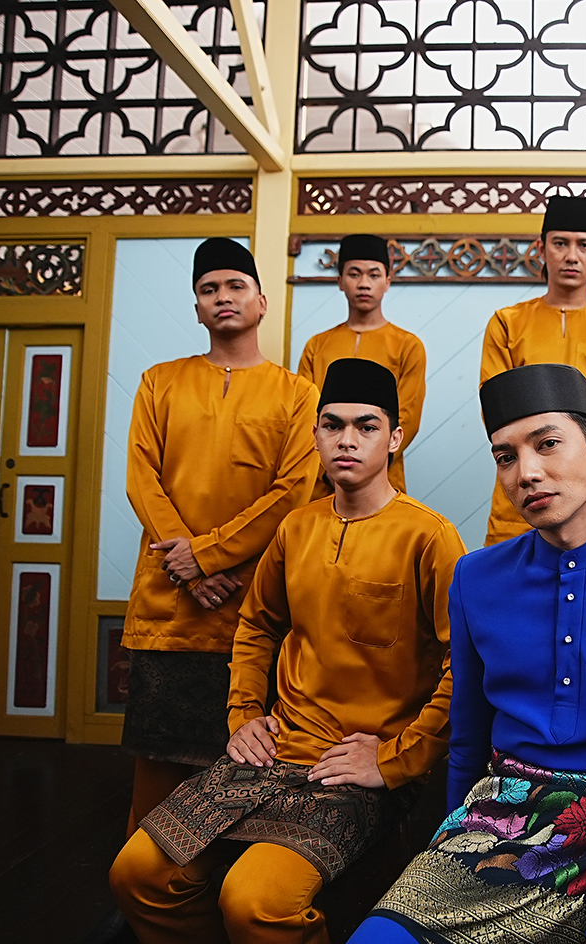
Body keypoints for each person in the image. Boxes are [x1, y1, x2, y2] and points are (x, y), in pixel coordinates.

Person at [349, 364, 586, 944]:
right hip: (503, 818)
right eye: (505, 457)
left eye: (548, 443)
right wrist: (456, 848)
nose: (526, 472)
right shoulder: (476, 580)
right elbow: (468, 740)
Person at [110, 358, 465, 944]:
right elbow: (256, 625)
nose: (347, 440)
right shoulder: (296, 528)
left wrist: (396, 759)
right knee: (137, 874)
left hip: (358, 765)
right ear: (316, 435)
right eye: (332, 425)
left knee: (254, 902)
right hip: (275, 750)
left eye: (367, 426)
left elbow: (465, 666)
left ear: (395, 438)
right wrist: (244, 714)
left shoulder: (429, 536)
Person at [120, 237, 320, 836]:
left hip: (252, 603)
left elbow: (292, 491)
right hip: (169, 606)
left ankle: (225, 882)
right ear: (197, 309)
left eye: (236, 286)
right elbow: (141, 478)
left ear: (262, 302)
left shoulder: (297, 394)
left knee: (247, 770)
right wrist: (189, 565)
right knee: (157, 767)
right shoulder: (160, 382)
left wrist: (205, 557)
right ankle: (145, 881)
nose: (223, 297)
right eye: (209, 289)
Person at [479, 196, 586, 545]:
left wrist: (585, 462)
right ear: (541, 248)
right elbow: (496, 410)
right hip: (526, 485)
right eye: (560, 243)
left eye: (584, 245)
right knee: (512, 574)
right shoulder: (507, 323)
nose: (572, 256)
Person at [297, 233, 426, 497]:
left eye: (374, 275)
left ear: (387, 282)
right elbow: (305, 414)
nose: (364, 284)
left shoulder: (407, 345)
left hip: (384, 478)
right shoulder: (317, 346)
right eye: (354, 274)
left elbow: (407, 417)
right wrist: (327, 469)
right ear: (340, 282)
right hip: (323, 481)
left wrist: (366, 466)